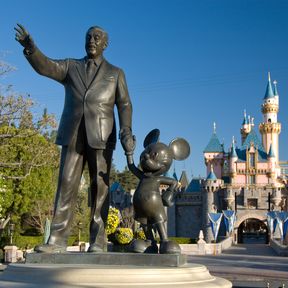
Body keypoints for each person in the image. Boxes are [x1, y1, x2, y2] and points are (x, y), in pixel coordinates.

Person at [15, 23, 135, 253]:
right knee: (66, 185)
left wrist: (126, 130)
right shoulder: (71, 66)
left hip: (101, 135)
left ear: (105, 44)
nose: (92, 40)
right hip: (72, 134)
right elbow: (47, 67)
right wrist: (32, 49)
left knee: (100, 189)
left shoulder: (115, 73)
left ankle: (98, 241)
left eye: (97, 37)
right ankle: (57, 240)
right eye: (88, 37)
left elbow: (125, 104)